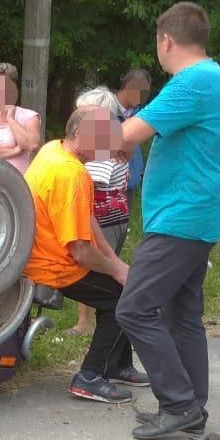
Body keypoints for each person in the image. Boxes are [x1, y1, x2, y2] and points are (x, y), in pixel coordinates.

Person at [117, 2, 220, 439]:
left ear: (165, 40)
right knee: (181, 314)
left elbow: (126, 135)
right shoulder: (215, 78)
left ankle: (178, 403)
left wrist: (73, 135)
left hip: (180, 218)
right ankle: (192, 408)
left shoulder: (191, 83)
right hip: (198, 214)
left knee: (133, 308)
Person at [24, 106, 148, 404]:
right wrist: (117, 271)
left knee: (123, 283)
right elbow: (79, 250)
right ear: (80, 134)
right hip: (51, 265)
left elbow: (87, 218)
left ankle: (117, 364)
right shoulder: (72, 174)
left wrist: (117, 264)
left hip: (44, 254)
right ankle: (90, 377)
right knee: (122, 298)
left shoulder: (53, 149)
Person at [65, 86, 132, 337]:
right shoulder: (115, 148)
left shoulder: (101, 154)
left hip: (103, 215)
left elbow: (90, 182)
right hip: (115, 213)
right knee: (106, 267)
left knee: (96, 268)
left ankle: (86, 323)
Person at [115, 68, 153, 191]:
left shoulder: (141, 116)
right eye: (141, 91)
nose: (143, 97)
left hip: (130, 184)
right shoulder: (105, 110)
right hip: (106, 187)